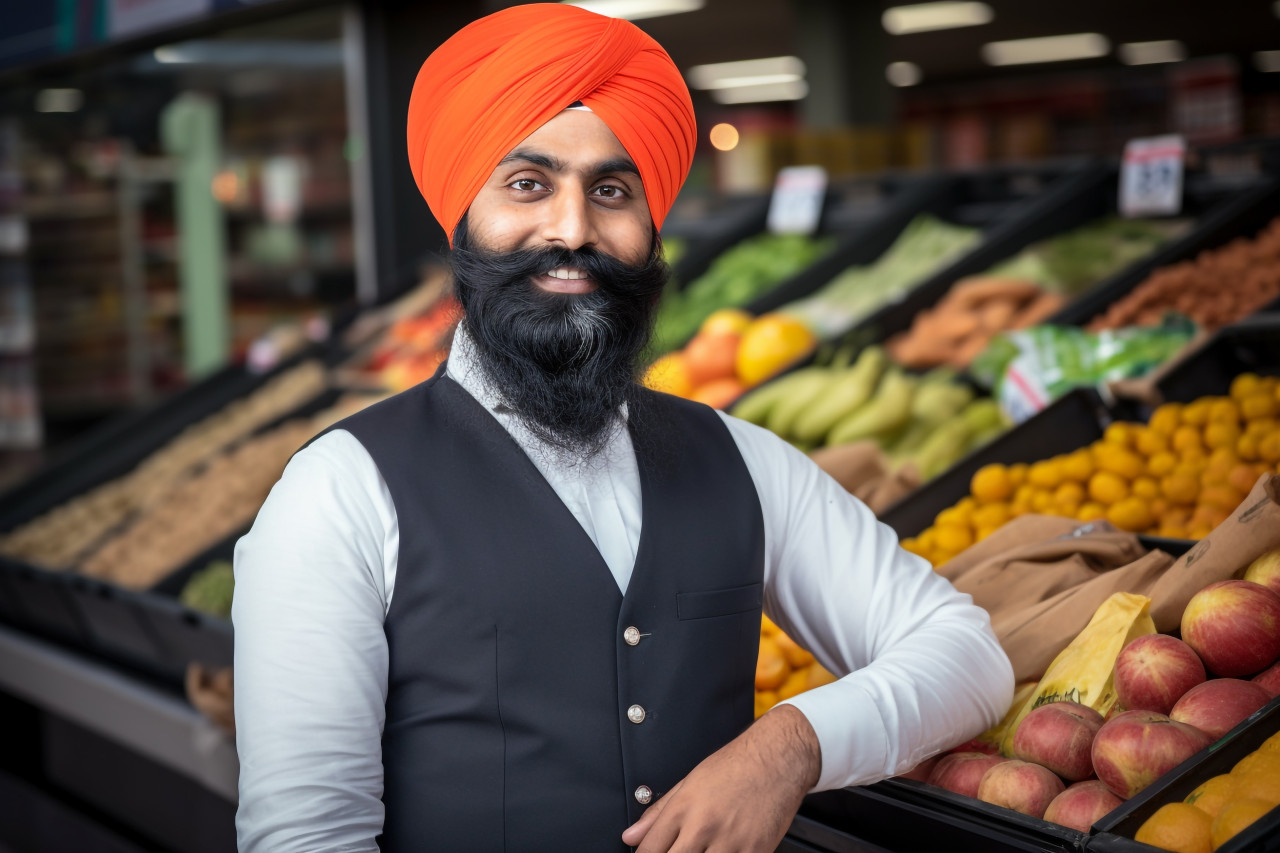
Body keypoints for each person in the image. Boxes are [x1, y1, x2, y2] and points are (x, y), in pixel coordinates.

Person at [232, 5, 1014, 852]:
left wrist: (787, 746)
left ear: (650, 229)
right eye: (528, 184)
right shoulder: (339, 491)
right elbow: (307, 835)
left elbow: (966, 656)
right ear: (463, 218)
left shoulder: (742, 460)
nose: (572, 230)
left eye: (611, 190)